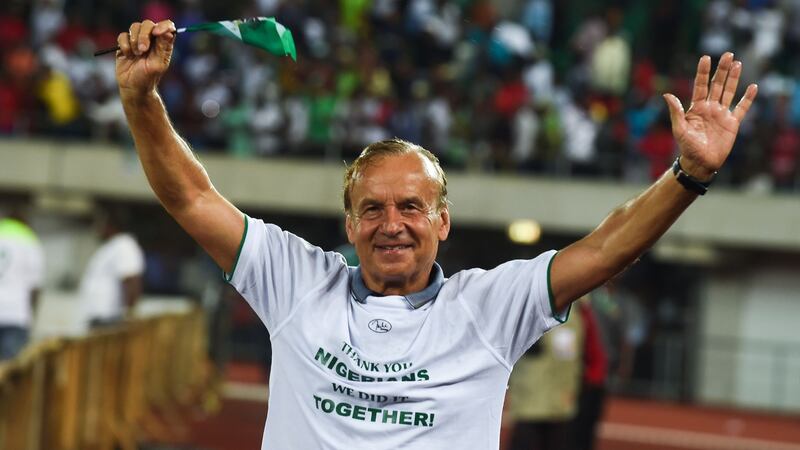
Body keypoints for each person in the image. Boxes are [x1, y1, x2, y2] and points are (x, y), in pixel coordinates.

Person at [114, 19, 757, 449]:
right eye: (372, 209)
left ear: (442, 222)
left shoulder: (488, 307)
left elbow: (607, 246)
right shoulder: (295, 282)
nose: (391, 225)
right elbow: (191, 195)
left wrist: (687, 175)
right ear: (349, 223)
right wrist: (142, 99)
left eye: (411, 207)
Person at [507, 297, 585, 450]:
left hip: (555, 400)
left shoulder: (574, 311)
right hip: (532, 399)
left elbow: (569, 359)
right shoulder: (529, 303)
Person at [79, 207, 144, 328]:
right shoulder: (111, 246)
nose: (97, 227)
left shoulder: (124, 244)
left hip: (110, 319)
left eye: (100, 223)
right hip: (99, 319)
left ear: (110, 224)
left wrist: (129, 313)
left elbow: (132, 279)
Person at [0, 204, 45, 360]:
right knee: (11, 372)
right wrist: (31, 318)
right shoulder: (29, 239)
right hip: (16, 314)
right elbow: (35, 287)